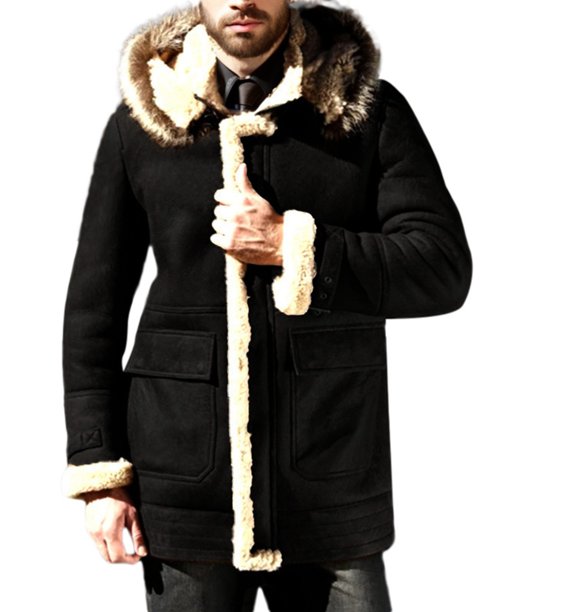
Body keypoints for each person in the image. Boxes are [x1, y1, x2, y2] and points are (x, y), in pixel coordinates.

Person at [60, 0, 473, 609]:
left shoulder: (365, 111)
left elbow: (441, 268)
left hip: (331, 483)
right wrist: (101, 473)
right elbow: (92, 314)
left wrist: (292, 245)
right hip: (183, 486)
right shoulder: (141, 124)